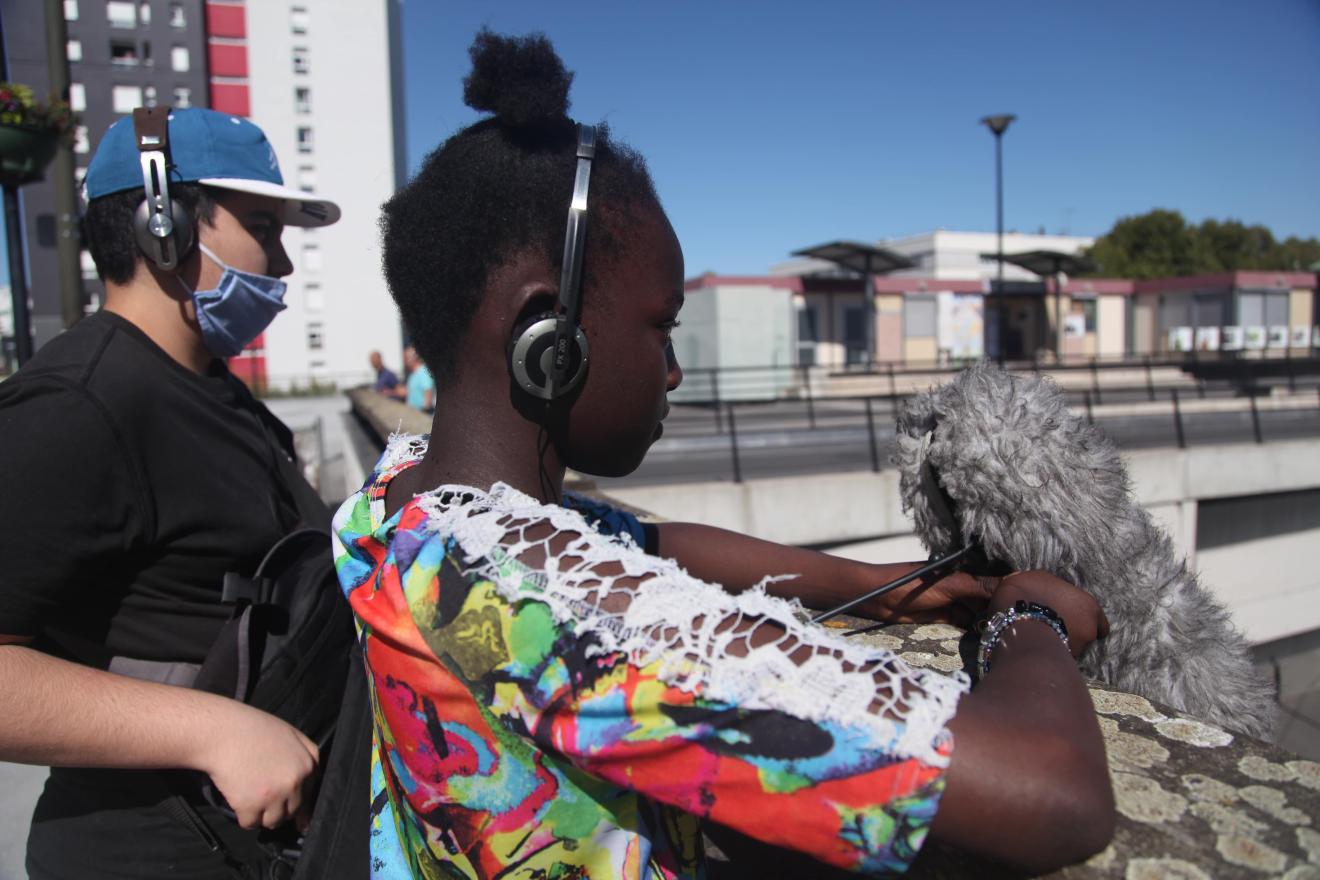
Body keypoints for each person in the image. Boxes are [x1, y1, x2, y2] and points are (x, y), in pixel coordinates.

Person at [332, 30, 1115, 879]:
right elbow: (1055, 795)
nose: (672, 369)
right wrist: (1028, 622)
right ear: (546, 335)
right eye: (661, 325)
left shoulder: (404, 500)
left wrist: (888, 592)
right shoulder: (564, 620)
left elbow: (647, 547)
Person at [0, 107, 342, 879]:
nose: (282, 265)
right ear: (167, 222)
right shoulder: (78, 406)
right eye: (262, 225)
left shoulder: (216, 393)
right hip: (146, 850)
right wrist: (211, 731)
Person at [400, 345, 435, 412]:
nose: (404, 361)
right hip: (414, 416)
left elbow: (428, 392)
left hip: (422, 417)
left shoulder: (423, 372)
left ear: (412, 358)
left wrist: (425, 411)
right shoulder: (412, 374)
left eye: (406, 358)